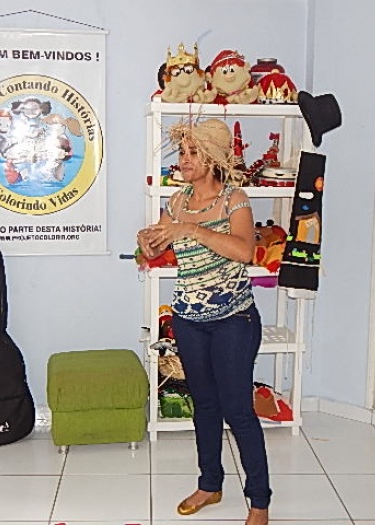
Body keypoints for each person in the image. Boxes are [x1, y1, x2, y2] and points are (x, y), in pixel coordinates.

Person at [137, 118, 271, 525]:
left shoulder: (235, 200)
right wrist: (146, 244)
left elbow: (245, 251)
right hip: (189, 319)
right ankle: (210, 484)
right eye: (182, 152)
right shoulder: (177, 202)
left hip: (234, 320)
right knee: (205, 406)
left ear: (212, 158)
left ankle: (259, 502)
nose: (184, 159)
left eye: (193, 153)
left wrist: (191, 229)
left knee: (238, 410)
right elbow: (155, 252)